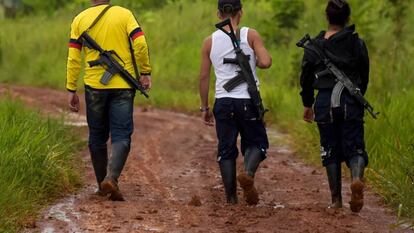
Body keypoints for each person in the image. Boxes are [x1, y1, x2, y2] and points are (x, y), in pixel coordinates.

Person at [66, 0, 152, 201]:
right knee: (122, 135)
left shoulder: (79, 19)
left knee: (97, 136)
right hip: (123, 87)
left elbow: (73, 58)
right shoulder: (124, 14)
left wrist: (71, 88)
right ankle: (111, 178)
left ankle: (102, 185)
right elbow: (139, 42)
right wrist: (145, 72)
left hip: (94, 87)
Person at [199, 0, 272, 205]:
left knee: (226, 149)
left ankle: (231, 199)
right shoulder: (251, 34)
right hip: (248, 101)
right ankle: (248, 173)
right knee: (257, 143)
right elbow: (266, 62)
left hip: (223, 101)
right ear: (241, 12)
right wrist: (255, 61)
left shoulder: (209, 41)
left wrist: (205, 107)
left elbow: (204, 77)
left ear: (218, 14)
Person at [299, 0, 369, 212]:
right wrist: (358, 96)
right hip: (350, 100)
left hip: (324, 102)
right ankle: (356, 178)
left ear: (327, 17)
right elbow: (365, 75)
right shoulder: (357, 43)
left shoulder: (313, 45)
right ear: (347, 17)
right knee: (355, 146)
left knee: (329, 149)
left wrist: (307, 103)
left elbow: (305, 78)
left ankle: (336, 201)